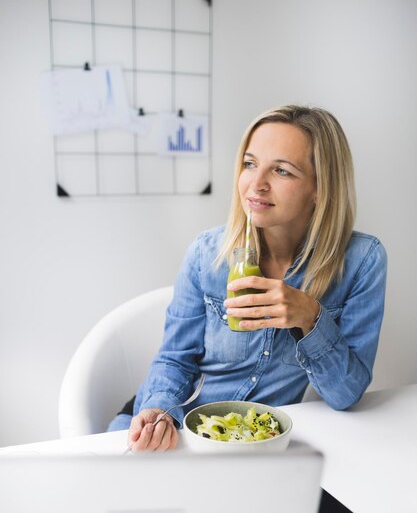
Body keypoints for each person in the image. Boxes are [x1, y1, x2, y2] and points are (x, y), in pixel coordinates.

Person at [108, 105, 387, 452]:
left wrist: (310, 318)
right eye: (250, 164)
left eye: (282, 171)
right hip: (177, 430)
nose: (256, 185)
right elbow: (175, 359)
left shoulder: (362, 262)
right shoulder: (206, 254)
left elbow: (346, 394)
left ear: (320, 187)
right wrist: (158, 409)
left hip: (253, 445)